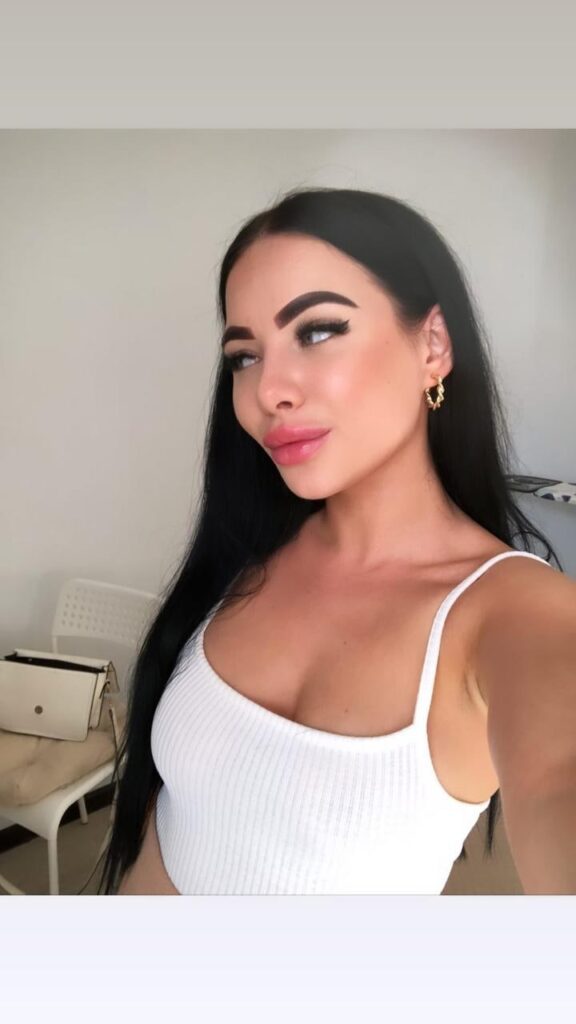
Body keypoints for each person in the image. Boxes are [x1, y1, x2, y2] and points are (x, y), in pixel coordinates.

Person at [100, 186, 576, 896]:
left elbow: (558, 775)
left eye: (317, 331)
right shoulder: (248, 548)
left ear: (433, 346)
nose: (269, 391)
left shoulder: (515, 616)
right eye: (244, 356)